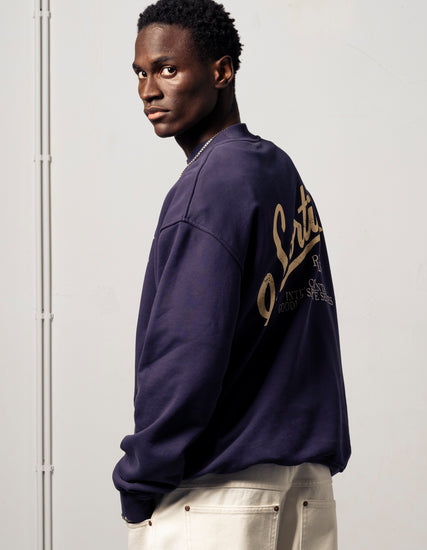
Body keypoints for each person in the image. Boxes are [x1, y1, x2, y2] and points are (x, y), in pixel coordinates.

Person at [112, 0, 351, 548]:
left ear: (221, 71)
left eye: (168, 69)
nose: (149, 90)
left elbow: (186, 350)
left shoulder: (209, 188)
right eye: (141, 73)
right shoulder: (275, 169)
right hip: (305, 488)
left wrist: (139, 484)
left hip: (219, 500)